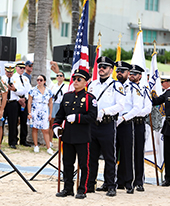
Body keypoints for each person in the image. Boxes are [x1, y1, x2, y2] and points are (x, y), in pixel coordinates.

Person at [53, 69, 97, 199]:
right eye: (74, 79)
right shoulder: (67, 96)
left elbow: (92, 117)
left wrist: (77, 118)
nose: (75, 81)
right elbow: (60, 115)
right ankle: (68, 189)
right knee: (67, 163)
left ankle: (82, 189)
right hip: (68, 136)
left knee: (84, 165)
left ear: (86, 82)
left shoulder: (90, 98)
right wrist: (56, 127)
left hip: (83, 136)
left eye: (79, 79)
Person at [87, 56, 125, 197]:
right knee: (92, 156)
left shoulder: (117, 86)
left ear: (111, 69)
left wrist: (104, 111)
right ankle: (90, 184)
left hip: (107, 124)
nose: (101, 69)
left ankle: (110, 185)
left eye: (105, 67)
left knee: (110, 157)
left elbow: (120, 105)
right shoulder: (93, 85)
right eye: (100, 66)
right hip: (93, 125)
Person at [114, 62, 143, 194]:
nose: (119, 72)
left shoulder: (133, 88)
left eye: (123, 71)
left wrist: (125, 118)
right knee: (111, 154)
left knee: (127, 154)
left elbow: (137, 108)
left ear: (128, 73)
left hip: (125, 123)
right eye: (118, 70)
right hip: (112, 122)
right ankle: (112, 181)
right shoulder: (112, 86)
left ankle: (128, 182)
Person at [130, 65, 151, 192]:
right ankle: (124, 179)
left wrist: (134, 113)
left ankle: (139, 181)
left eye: (135, 74)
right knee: (125, 152)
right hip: (126, 123)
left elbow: (148, 108)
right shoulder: (124, 87)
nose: (132, 75)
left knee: (138, 152)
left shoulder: (144, 89)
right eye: (131, 73)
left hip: (138, 122)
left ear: (140, 76)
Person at [1, 62, 27, 149]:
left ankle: (12, 142)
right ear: (5, 70)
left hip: (13, 102)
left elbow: (22, 91)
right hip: (4, 102)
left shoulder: (17, 79)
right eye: (8, 71)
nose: (9, 73)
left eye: (11, 72)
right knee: (0, 122)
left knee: (13, 123)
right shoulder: (2, 79)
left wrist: (14, 89)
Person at [27, 74, 53, 154]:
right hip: (35, 109)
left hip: (44, 110)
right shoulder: (33, 90)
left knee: (45, 129)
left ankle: (48, 147)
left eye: (41, 80)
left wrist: (50, 113)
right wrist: (29, 112)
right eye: (38, 80)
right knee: (35, 128)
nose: (39, 81)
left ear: (44, 81)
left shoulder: (48, 91)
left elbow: (50, 102)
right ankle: (36, 145)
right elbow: (29, 102)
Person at [15, 62, 32, 147]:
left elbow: (29, 90)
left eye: (23, 68)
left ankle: (23, 139)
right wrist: (19, 99)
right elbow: (12, 90)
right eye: (20, 68)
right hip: (15, 101)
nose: (22, 69)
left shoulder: (25, 78)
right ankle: (14, 140)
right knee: (14, 121)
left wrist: (24, 98)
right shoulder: (13, 77)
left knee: (24, 121)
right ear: (16, 68)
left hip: (24, 101)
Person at [49, 71, 68, 147]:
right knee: (52, 123)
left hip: (61, 104)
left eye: (61, 75)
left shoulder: (66, 87)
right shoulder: (53, 86)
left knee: (60, 124)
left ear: (63, 77)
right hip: (54, 104)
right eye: (58, 75)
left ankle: (60, 142)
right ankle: (50, 141)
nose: (59, 77)